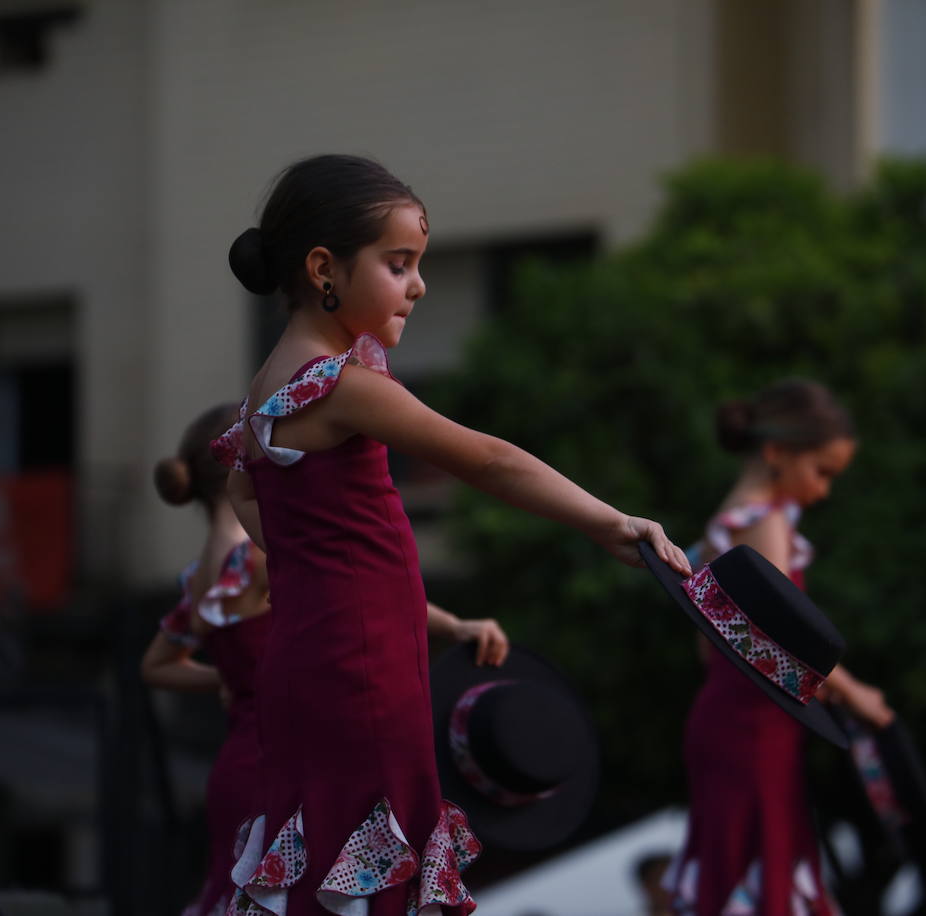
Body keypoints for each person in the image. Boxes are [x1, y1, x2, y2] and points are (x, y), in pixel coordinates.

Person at [210, 153, 689, 915]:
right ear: (324, 267)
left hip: (308, 660)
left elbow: (242, 489)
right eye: (399, 265)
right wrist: (610, 520)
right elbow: (492, 462)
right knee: (375, 851)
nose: (420, 286)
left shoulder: (268, 391)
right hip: (363, 666)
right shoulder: (345, 387)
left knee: (321, 850)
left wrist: (317, 563)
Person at [141, 401, 511, 916]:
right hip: (290, 757)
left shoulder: (200, 574)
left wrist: (228, 679)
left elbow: (155, 666)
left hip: (240, 759)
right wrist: (457, 626)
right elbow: (358, 585)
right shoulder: (256, 556)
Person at [668, 379, 894, 916]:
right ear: (775, 453)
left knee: (742, 867)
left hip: (735, 723)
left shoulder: (724, 524)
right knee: (764, 869)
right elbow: (782, 641)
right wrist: (856, 692)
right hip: (752, 729)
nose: (823, 490)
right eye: (822, 472)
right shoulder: (763, 523)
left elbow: (712, 649)